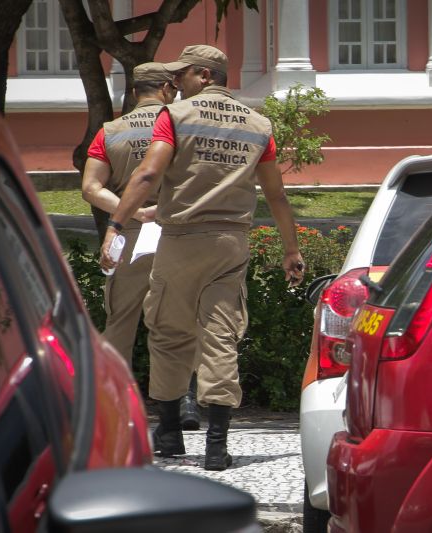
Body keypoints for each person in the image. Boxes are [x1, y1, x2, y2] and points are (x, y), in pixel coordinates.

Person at [99, 45, 305, 471]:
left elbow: (149, 174)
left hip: (180, 240)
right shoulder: (258, 123)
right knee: (221, 336)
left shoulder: (174, 117)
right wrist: (291, 249)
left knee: (169, 333)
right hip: (231, 243)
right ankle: (216, 446)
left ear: (204, 75)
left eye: (183, 75)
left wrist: (117, 225)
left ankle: (171, 433)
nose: (176, 84)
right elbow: (277, 194)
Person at [82, 62, 202, 431]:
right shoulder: (184, 125)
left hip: (129, 233)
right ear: (168, 89)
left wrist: (133, 212)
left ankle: (113, 401)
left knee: (121, 320)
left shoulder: (110, 132)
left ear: (135, 92)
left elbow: (90, 188)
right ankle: (186, 402)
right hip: (178, 232)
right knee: (184, 317)